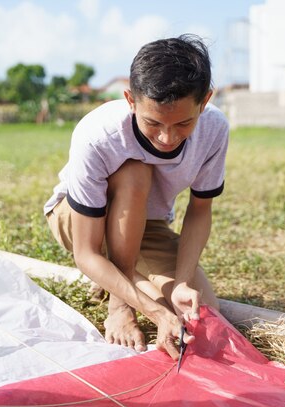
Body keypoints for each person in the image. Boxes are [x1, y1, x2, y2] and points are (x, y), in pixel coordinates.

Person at [43, 34, 229, 360]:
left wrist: (182, 283)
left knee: (203, 318)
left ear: (205, 101)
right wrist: (141, 309)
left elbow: (200, 211)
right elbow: (87, 253)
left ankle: (123, 280)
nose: (167, 137)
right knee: (135, 171)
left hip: (149, 225)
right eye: (153, 122)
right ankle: (118, 299)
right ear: (130, 100)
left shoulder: (214, 128)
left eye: (184, 123)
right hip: (80, 220)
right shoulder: (98, 134)